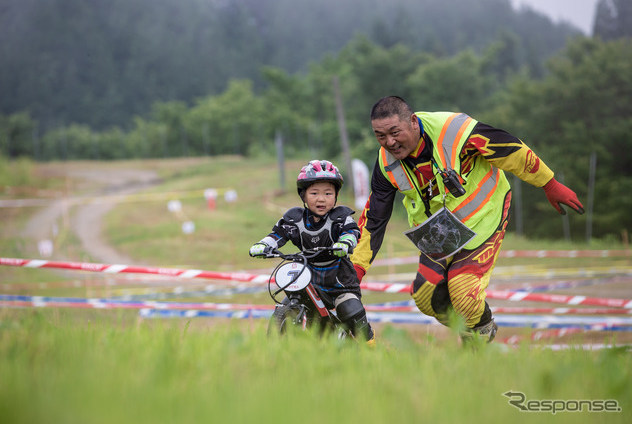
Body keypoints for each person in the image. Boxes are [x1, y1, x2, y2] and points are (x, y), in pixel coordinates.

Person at [351, 96, 584, 343]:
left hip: (483, 217)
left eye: (394, 132)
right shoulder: (385, 163)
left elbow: (509, 149)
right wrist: (356, 267)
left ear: (413, 121)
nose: (390, 142)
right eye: (380, 136)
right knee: (426, 297)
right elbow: (375, 218)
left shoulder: (455, 131)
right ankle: (474, 329)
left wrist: (548, 182)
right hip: (440, 231)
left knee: (463, 293)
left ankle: (478, 338)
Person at [249, 160, 375, 343]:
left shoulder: (340, 217)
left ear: (336, 195)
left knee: (350, 310)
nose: (321, 199)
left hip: (339, 281)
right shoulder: (294, 219)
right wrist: (263, 245)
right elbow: (278, 234)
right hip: (307, 277)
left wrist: (345, 243)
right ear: (303, 196)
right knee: (285, 305)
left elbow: (352, 232)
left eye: (328, 193)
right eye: (314, 193)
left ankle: (372, 349)